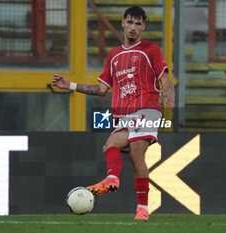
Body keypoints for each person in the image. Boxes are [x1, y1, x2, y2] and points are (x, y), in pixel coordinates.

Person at [52, 6, 175, 220]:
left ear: (143, 27)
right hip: (125, 115)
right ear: (123, 23)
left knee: (137, 153)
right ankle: (111, 179)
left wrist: (170, 93)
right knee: (110, 145)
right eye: (130, 22)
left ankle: (143, 209)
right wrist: (69, 85)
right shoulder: (114, 55)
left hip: (148, 108)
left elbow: (164, 78)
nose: (134, 27)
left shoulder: (151, 49)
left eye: (138, 24)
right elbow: (101, 89)